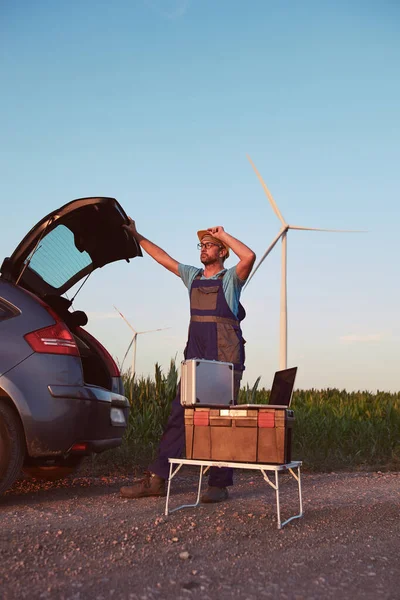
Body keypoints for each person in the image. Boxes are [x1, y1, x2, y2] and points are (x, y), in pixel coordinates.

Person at [120, 220, 256, 503]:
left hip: (223, 362)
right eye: (202, 245)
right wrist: (136, 234)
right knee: (178, 417)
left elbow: (249, 257)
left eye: (209, 245)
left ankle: (218, 485)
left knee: (220, 423)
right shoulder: (192, 277)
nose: (203, 249)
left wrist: (224, 235)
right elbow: (163, 258)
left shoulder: (230, 279)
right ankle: (157, 479)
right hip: (195, 362)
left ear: (222, 252)